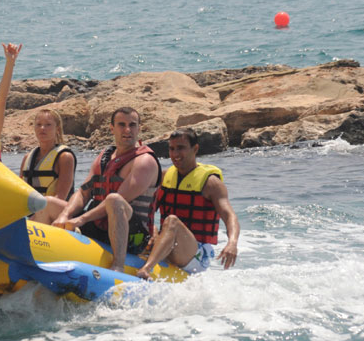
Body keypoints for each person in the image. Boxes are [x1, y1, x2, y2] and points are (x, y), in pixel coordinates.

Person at [52, 107, 161, 271]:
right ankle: (32, 254)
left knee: (114, 200)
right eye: (121, 125)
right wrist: (65, 215)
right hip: (99, 226)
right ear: (112, 128)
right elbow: (83, 192)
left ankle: (118, 265)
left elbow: (120, 199)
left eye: (132, 125)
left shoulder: (145, 162)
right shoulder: (103, 158)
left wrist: (80, 220)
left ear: (139, 128)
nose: (127, 130)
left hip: (134, 237)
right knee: (48, 204)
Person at [135, 128, 240, 280]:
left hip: (197, 254)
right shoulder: (165, 176)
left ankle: (146, 269)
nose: (175, 154)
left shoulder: (211, 183)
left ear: (195, 149)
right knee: (152, 226)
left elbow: (229, 215)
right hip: (169, 245)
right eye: (172, 149)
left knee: (172, 221)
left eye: (181, 148)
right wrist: (152, 230)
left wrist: (232, 243)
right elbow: (147, 210)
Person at [19, 109, 77, 224]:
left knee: (48, 203)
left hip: (57, 210)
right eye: (39, 125)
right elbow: (20, 193)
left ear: (57, 129)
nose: (42, 128)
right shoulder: (27, 158)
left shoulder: (65, 157)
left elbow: (61, 197)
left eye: (48, 125)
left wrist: (33, 219)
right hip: (33, 213)